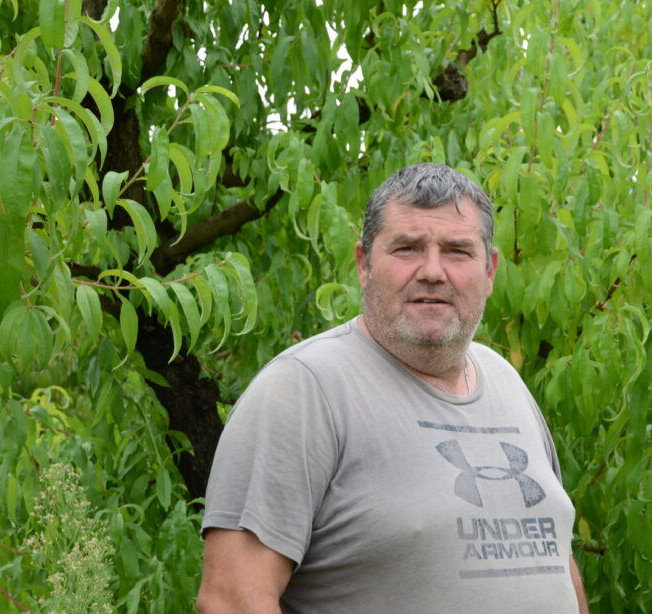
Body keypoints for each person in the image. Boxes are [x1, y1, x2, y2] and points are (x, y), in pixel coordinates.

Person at [196, 163, 589, 614]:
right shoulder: (305, 390)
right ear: (364, 264)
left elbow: (554, 558)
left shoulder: (507, 382)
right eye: (407, 248)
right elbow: (231, 598)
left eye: (458, 251)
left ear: (490, 271)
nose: (433, 271)